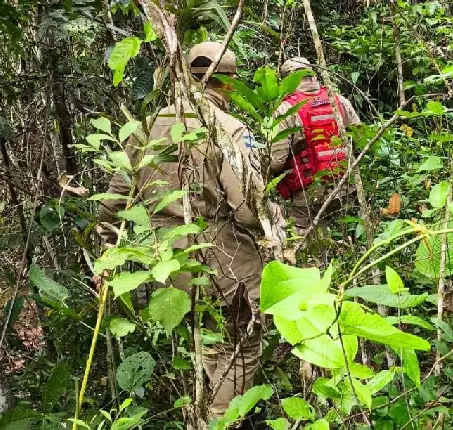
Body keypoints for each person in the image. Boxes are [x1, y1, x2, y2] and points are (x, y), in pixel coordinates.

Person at [97, 42, 273, 420]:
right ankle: (219, 419)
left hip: (163, 259)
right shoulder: (227, 128)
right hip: (221, 256)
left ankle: (208, 408)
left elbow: (114, 200)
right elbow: (245, 209)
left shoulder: (145, 127)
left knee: (205, 340)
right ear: (228, 83)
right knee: (240, 345)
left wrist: (108, 253)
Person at [269, 57, 361, 237]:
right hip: (345, 186)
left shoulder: (285, 109)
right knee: (347, 234)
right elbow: (359, 138)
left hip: (309, 193)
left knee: (310, 244)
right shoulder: (338, 100)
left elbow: (276, 161)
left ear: (287, 80)